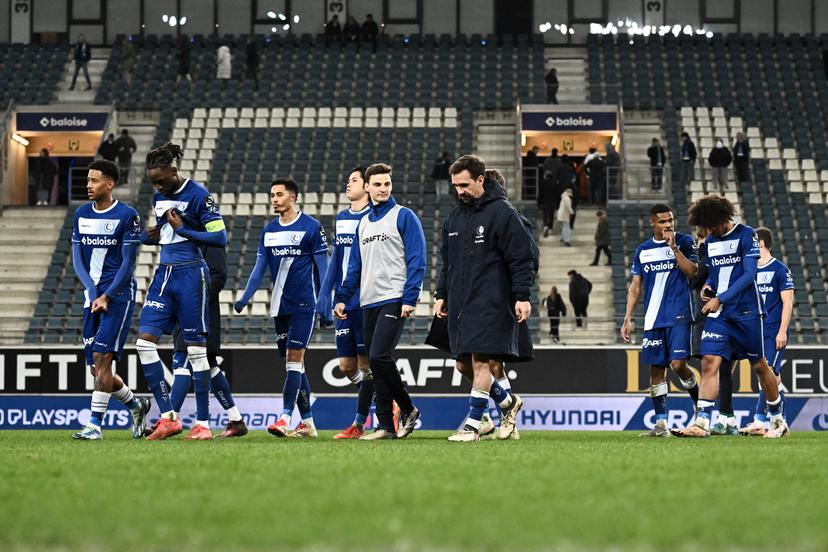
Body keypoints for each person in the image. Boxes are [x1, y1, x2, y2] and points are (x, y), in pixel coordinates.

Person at [434, 155, 533, 441]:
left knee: (480, 362)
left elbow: (522, 257)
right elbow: (447, 261)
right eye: (455, 186)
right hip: (460, 302)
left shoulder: (503, 213)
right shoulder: (455, 216)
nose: (459, 191)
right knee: (463, 365)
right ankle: (508, 403)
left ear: (480, 179)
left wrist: (522, 296)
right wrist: (441, 294)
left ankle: (474, 425)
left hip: (491, 300)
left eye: (464, 185)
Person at [135, 143, 228, 441]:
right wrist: (150, 237)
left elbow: (219, 237)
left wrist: (184, 228)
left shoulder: (200, 196)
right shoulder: (158, 197)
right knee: (144, 344)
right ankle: (168, 417)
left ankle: (202, 424)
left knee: (197, 353)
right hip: (164, 274)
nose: (157, 186)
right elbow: (166, 232)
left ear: (174, 172)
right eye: (153, 182)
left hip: (192, 274)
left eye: (161, 180)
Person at [675, 195, 787, 438]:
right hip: (721, 315)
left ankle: (777, 419)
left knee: (759, 366)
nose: (707, 230)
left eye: (710, 224)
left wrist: (720, 298)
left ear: (722, 218)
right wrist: (708, 287)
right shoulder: (712, 240)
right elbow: (715, 274)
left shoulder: (748, 236)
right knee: (709, 361)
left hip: (747, 313)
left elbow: (749, 276)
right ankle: (702, 422)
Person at [334, 163, 425, 440]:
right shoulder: (363, 223)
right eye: (377, 184)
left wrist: (410, 297)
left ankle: (407, 408)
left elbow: (417, 259)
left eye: (387, 184)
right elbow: (355, 268)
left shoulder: (404, 216)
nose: (383, 189)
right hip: (367, 301)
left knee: (378, 356)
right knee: (376, 364)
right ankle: (385, 425)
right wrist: (342, 297)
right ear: (368, 188)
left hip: (394, 298)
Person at [235, 179, 329, 438]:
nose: (274, 199)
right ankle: (308, 423)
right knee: (297, 367)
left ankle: (285, 418)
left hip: (304, 305)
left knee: (293, 362)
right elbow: (258, 269)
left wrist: (325, 306)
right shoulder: (268, 231)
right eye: (272, 195)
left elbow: (324, 270)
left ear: (293, 197)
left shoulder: (312, 227)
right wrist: (245, 297)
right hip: (279, 306)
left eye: (279, 194)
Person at [152, 182, 247, 439]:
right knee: (209, 365)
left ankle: (169, 416)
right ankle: (236, 420)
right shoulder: (182, 242)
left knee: (184, 358)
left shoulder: (207, 241)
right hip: (184, 305)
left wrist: (193, 296)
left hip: (201, 306)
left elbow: (218, 276)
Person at [70, 160, 150, 440]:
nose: (88, 185)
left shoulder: (128, 216)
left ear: (110, 184)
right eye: (88, 180)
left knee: (103, 359)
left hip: (118, 297)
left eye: (94, 180)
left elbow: (128, 264)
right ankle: (136, 404)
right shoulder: (80, 214)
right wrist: (93, 293)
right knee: (96, 367)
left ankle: (94, 425)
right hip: (91, 298)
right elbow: (77, 259)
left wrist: (106, 295)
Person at [620, 204, 701, 437]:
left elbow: (693, 272)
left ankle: (699, 405)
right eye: (663, 222)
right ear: (652, 223)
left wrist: (674, 249)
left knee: (677, 365)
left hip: (679, 315)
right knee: (656, 371)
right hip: (653, 319)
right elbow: (636, 287)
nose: (668, 225)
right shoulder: (643, 250)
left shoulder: (684, 242)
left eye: (671, 220)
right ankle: (661, 425)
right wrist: (628, 318)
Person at [318, 167, 375, 439]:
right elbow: (336, 258)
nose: (347, 184)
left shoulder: (374, 217)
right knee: (346, 367)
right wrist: (325, 295)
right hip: (344, 301)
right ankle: (386, 402)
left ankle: (359, 423)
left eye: (353, 180)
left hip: (365, 300)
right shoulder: (342, 217)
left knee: (366, 365)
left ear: (366, 187)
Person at [740, 227, 794, 436]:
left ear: (760, 243)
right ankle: (782, 422)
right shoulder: (750, 270)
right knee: (773, 379)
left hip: (773, 331)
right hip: (756, 331)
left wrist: (782, 331)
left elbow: (787, 303)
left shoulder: (780, 270)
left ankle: (759, 421)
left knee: (768, 372)